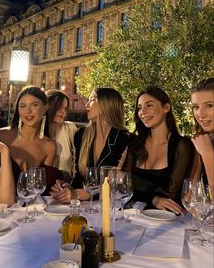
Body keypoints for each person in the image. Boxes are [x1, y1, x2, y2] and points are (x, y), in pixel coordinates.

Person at [50, 87, 130, 203]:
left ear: (108, 104)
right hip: (84, 206)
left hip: (111, 207)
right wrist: (67, 187)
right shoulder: (81, 134)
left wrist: (78, 194)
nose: (87, 103)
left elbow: (123, 184)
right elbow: (79, 178)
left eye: (92, 99)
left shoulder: (125, 138)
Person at [123, 86, 194, 214]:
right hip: (134, 215)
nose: (142, 112)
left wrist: (137, 183)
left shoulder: (182, 145)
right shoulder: (135, 143)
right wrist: (154, 198)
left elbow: (171, 194)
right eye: (139, 108)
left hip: (167, 221)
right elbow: (124, 187)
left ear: (166, 108)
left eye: (149, 105)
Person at [0, 86, 57, 171]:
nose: (28, 111)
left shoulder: (50, 146)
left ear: (45, 108)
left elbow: (44, 181)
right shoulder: (1, 136)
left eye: (34, 105)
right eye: (23, 106)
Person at [45, 89, 78, 180]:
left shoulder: (70, 128)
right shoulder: (37, 131)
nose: (63, 111)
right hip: (42, 186)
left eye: (65, 108)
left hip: (65, 186)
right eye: (59, 107)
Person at [190, 78, 214, 187]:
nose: (200, 114)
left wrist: (207, 155)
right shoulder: (203, 139)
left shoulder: (205, 148)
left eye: (209, 105)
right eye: (196, 107)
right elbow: (190, 194)